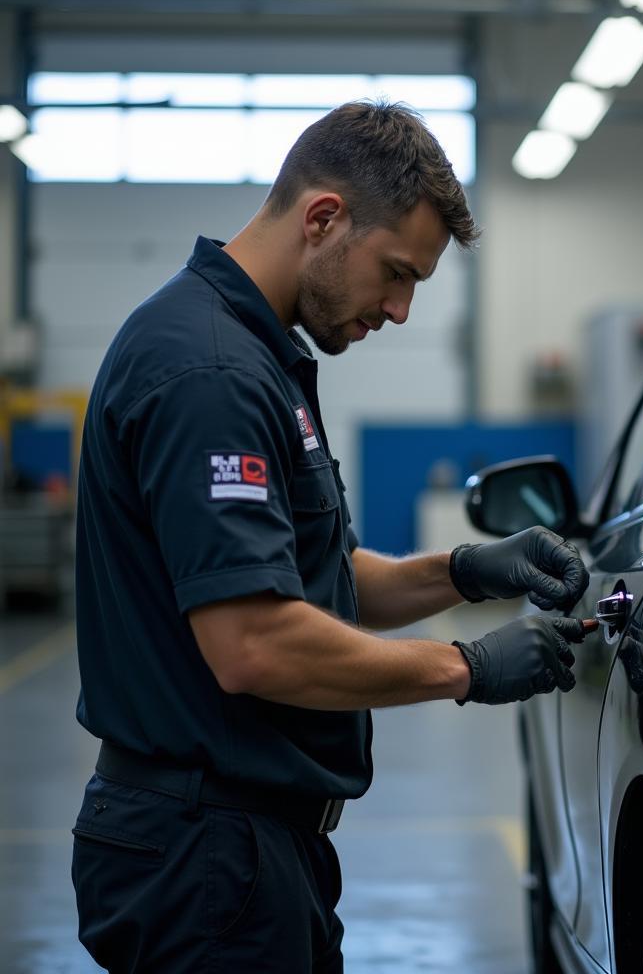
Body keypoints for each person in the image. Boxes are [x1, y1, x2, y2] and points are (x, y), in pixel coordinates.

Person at [71, 100, 591, 973]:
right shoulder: (209, 373)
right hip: (205, 860)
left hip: (247, 848)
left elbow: (317, 578)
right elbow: (257, 644)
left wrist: (467, 572)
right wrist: (466, 668)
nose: (398, 310)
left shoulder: (257, 358)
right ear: (323, 219)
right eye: (396, 273)